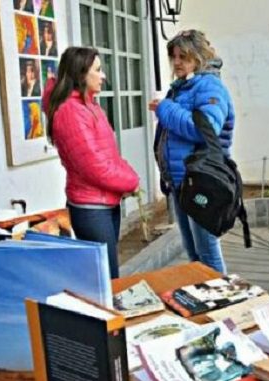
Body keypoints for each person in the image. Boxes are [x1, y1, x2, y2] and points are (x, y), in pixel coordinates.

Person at [42, 47, 139, 279]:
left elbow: (110, 155)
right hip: (91, 208)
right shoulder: (70, 112)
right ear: (81, 74)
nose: (103, 75)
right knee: (106, 279)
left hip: (104, 203)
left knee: (108, 275)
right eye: (98, 70)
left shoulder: (89, 105)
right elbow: (94, 166)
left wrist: (125, 178)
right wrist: (131, 181)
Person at [149, 30, 235, 274]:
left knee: (207, 252)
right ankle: (205, 298)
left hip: (203, 182)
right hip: (182, 182)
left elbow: (204, 128)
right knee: (194, 253)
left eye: (183, 56)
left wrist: (166, 108)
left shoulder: (210, 87)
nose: (177, 62)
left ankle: (223, 301)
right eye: (174, 56)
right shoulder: (183, 87)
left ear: (198, 57)